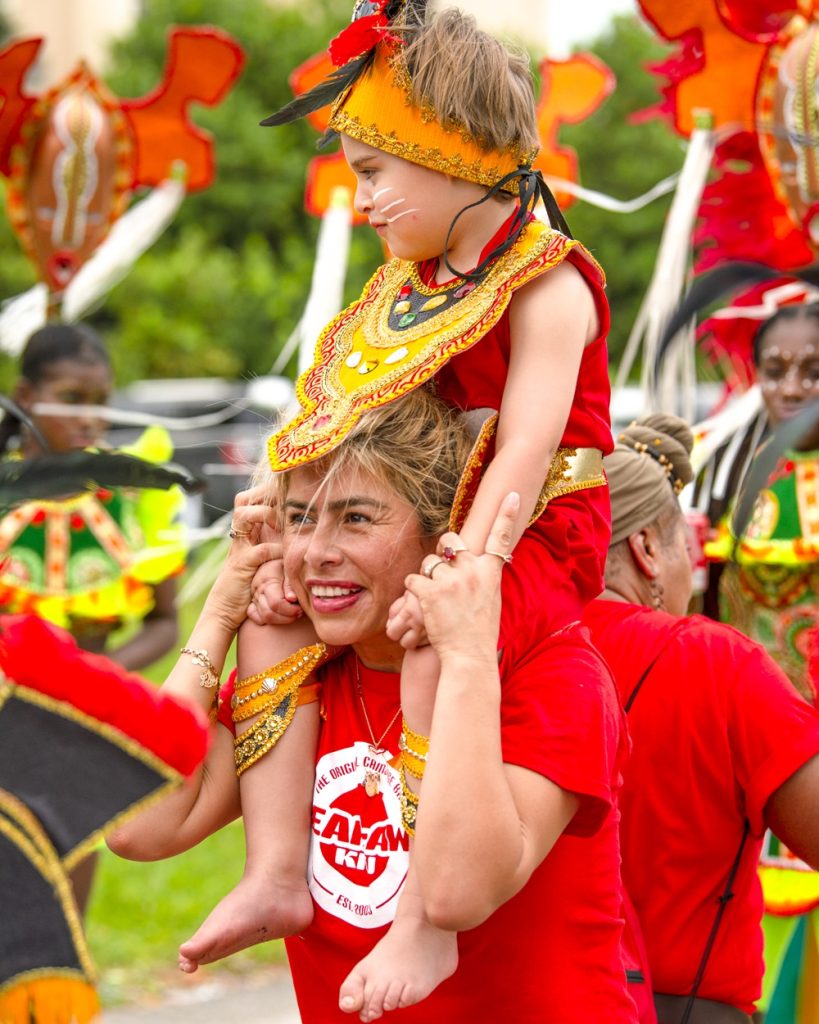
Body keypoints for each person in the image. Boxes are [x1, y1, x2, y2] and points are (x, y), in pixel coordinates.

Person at [180, 3, 615, 997]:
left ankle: (425, 917)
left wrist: (460, 581)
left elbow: (526, 454)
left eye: (374, 171)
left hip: (527, 537)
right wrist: (267, 515)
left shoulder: (552, 286)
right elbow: (328, 410)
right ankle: (277, 872)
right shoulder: (405, 284)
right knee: (273, 619)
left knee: (429, 648)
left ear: (449, 150)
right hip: (434, 525)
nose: (360, 197)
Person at [108, 389, 637, 1023]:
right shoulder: (305, 670)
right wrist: (222, 609)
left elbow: (455, 895)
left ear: (443, 530)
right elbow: (137, 824)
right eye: (301, 518)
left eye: (356, 518)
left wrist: (463, 658)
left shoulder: (552, 675)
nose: (317, 552)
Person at [581, 413, 819, 1023]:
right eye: (689, 549)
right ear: (648, 550)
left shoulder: (501, 651)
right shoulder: (716, 661)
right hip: (685, 1009)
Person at [0, 321, 186, 913]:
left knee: (68, 860)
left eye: (101, 403)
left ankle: (62, 994)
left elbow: (164, 622)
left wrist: (94, 672)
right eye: (73, 401)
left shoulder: (133, 499)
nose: (90, 419)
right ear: (26, 397)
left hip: (81, 721)